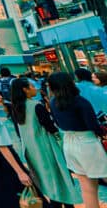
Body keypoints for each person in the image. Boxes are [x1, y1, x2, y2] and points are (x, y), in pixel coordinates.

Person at [9, 77, 82, 208]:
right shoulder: (36, 106)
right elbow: (50, 127)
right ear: (24, 90)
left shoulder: (16, 108)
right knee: (59, 179)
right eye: (31, 86)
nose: (35, 88)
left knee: (47, 181)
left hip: (31, 151)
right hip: (46, 146)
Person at [48, 71, 107, 208]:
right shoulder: (80, 102)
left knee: (87, 187)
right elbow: (93, 126)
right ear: (70, 83)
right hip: (87, 143)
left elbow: (56, 122)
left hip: (69, 143)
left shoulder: (53, 103)